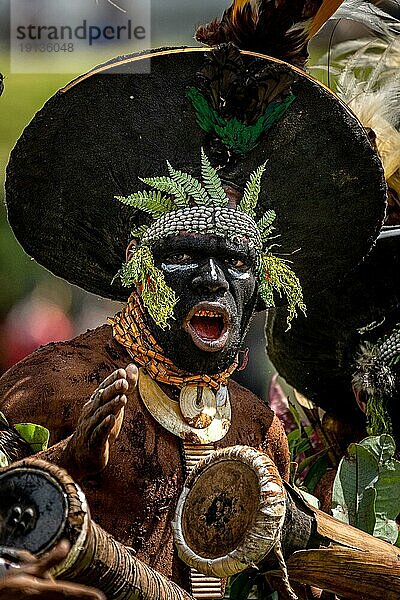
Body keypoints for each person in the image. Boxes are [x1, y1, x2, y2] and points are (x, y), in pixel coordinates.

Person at [0, 1, 388, 597]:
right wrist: (61, 462)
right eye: (183, 256)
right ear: (136, 266)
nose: (213, 281)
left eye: (236, 263)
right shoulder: (58, 383)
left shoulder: (258, 427)